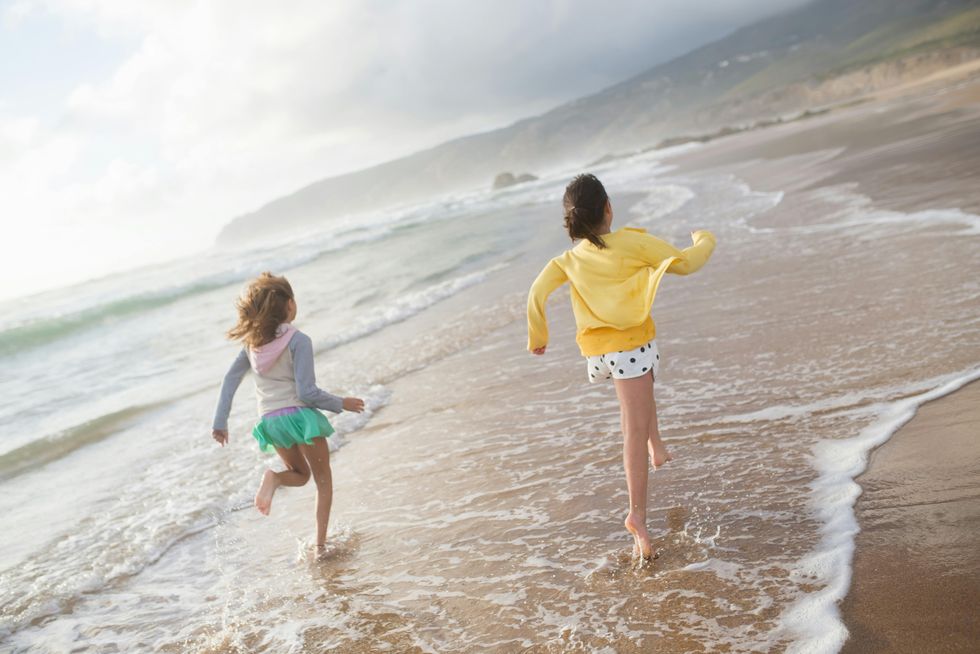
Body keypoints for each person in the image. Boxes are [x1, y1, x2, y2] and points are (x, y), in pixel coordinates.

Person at [526, 174, 716, 560]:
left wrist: (538, 336)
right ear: (608, 207)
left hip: (602, 352)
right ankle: (637, 516)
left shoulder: (567, 259)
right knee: (633, 425)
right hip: (629, 346)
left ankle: (657, 446)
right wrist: (704, 239)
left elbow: (536, 293)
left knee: (644, 391)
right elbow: (686, 264)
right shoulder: (631, 243)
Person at [211, 272, 365, 553]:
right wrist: (340, 403)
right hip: (300, 419)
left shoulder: (251, 346)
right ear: (290, 305)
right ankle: (319, 545)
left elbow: (229, 381)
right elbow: (307, 392)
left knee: (299, 475)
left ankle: (275, 478)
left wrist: (220, 422)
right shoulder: (299, 340)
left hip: (271, 422)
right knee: (323, 482)